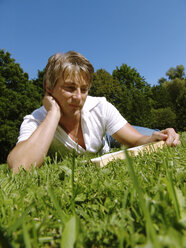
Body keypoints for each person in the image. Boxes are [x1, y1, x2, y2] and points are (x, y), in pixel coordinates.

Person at [7, 51, 180, 173]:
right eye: (70, 88)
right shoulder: (36, 120)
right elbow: (19, 167)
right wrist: (53, 114)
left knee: (154, 137)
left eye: (84, 89)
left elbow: (136, 140)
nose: (78, 97)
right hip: (92, 134)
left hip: (108, 136)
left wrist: (153, 138)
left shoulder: (99, 106)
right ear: (49, 88)